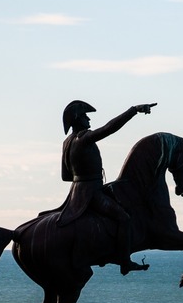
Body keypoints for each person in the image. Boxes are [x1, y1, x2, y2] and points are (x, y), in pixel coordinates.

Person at [59, 100, 155, 275]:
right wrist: (133, 110)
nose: (88, 119)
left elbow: (66, 176)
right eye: (84, 116)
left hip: (77, 191)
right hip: (91, 192)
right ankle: (125, 261)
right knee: (124, 218)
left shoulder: (67, 142)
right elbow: (109, 128)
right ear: (76, 119)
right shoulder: (84, 138)